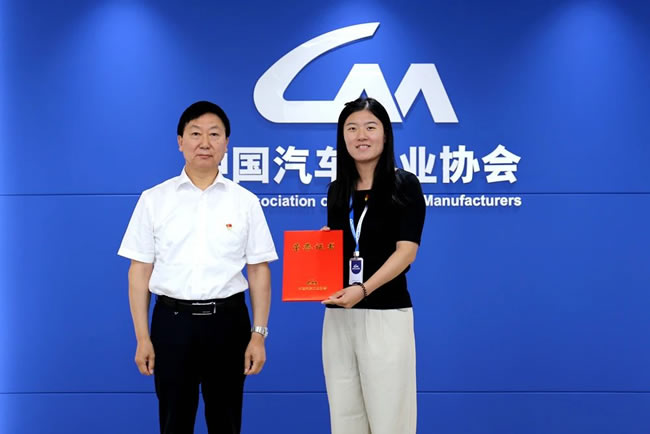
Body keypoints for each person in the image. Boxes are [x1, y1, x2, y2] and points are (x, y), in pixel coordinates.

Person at [118, 101, 277, 434]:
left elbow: (259, 270)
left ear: (226, 143)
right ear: (180, 141)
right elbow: (139, 271)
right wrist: (142, 337)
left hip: (228, 325)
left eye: (214, 134)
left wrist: (258, 335)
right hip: (172, 325)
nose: (205, 143)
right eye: (195, 134)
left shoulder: (245, 201)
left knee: (226, 422)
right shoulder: (154, 199)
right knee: (174, 423)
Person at [321, 97, 426, 434]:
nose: (360, 136)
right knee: (345, 416)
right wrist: (322, 248)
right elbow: (345, 247)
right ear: (342, 137)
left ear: (385, 134)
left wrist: (363, 289)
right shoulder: (337, 191)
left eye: (370, 127)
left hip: (385, 314)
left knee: (389, 419)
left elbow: (406, 253)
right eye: (351, 128)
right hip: (340, 315)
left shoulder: (403, 185)